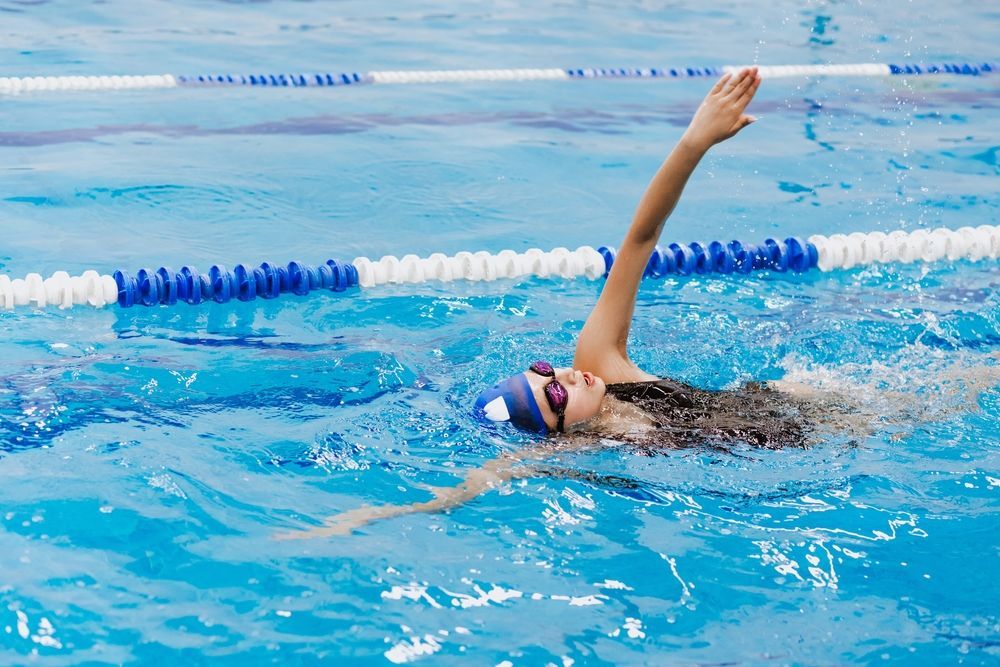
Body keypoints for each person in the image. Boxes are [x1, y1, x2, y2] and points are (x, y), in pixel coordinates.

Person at [279, 66, 817, 539]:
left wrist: (693, 143)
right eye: (554, 395)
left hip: (800, 406)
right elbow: (471, 489)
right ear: (559, 436)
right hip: (798, 457)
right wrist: (370, 518)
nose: (567, 375)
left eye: (544, 370)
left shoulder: (601, 360)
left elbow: (640, 239)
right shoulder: (579, 453)